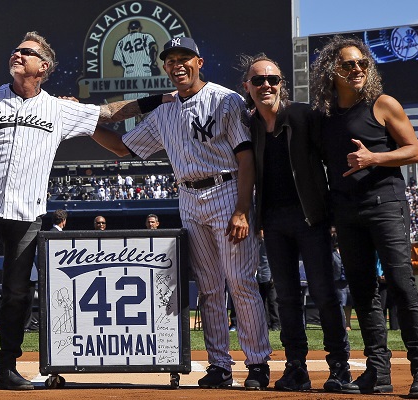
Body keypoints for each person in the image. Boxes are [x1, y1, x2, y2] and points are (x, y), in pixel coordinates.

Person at [0, 32, 169, 393]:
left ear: (44, 66)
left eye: (27, 52)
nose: (17, 54)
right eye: (16, 49)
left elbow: (112, 112)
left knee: (20, 293)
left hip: (28, 212)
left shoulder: (58, 108)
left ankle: (8, 366)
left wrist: (164, 98)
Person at [95, 36, 272, 390]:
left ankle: (256, 364)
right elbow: (122, 147)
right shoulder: (164, 111)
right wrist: (85, 124)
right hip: (188, 198)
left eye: (185, 58)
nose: (178, 64)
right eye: (171, 59)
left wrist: (241, 209)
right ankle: (220, 365)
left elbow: (245, 156)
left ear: (199, 62)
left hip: (226, 190)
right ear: (164, 67)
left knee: (239, 282)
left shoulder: (225, 100)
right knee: (208, 288)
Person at [311, 36, 418, 398]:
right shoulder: (325, 115)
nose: (357, 69)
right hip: (346, 212)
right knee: (363, 293)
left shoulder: (382, 104)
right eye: (349, 64)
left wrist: (375, 158)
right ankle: (377, 373)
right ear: (332, 69)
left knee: (401, 283)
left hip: (385, 204)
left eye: (362, 64)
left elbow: (415, 150)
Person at [238, 53, 351, 392]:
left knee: (324, 293)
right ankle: (296, 368)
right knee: (285, 297)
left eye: (273, 79)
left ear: (282, 84)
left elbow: (331, 159)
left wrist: (332, 212)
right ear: (247, 87)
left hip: (310, 218)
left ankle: (339, 369)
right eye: (258, 80)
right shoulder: (250, 124)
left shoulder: (304, 115)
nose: (266, 85)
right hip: (273, 222)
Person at [113, 20, 159, 130]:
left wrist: (126, 60)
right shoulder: (146, 37)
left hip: (129, 71)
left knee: (128, 105)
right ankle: (146, 132)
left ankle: (129, 133)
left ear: (129, 29)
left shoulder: (122, 41)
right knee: (145, 104)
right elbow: (153, 48)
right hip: (144, 70)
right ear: (139, 28)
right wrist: (153, 62)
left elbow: (116, 61)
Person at [255, 234, 280, 332]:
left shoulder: (268, 243)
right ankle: (266, 323)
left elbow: (274, 259)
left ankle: (276, 323)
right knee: (262, 301)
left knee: (272, 300)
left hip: (269, 275)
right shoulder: (257, 243)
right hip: (260, 276)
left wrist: (274, 276)